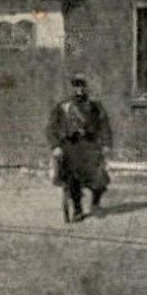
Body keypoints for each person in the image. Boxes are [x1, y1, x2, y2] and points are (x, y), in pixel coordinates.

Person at [46, 74, 112, 222]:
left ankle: (95, 202)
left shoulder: (94, 106)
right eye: (76, 86)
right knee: (72, 177)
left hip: (89, 145)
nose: (79, 89)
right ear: (72, 88)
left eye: (82, 86)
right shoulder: (63, 107)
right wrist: (56, 146)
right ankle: (77, 208)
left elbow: (104, 125)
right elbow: (52, 128)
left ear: (86, 87)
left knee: (99, 176)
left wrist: (106, 144)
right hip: (71, 146)